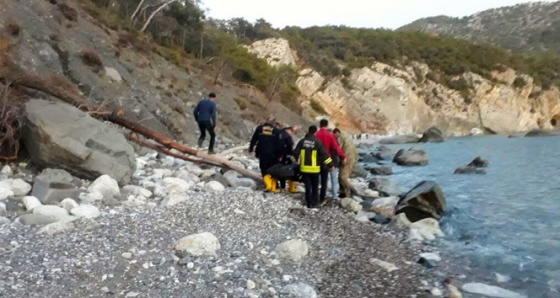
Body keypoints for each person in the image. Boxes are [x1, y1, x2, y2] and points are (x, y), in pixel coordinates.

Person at [293, 125, 333, 209]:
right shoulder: (318, 142)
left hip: (304, 168)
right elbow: (324, 155)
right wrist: (331, 165)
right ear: (315, 132)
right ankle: (315, 202)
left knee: (308, 186)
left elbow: (295, 152)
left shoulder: (302, 141)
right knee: (315, 186)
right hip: (314, 169)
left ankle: (309, 203)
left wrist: (296, 160)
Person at [315, 119, 345, 202]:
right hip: (328, 159)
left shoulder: (316, 135)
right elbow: (336, 148)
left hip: (317, 159)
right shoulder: (329, 136)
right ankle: (330, 196)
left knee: (319, 178)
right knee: (330, 179)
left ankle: (318, 194)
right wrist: (343, 156)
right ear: (327, 125)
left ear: (320, 125)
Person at [249, 114, 282, 191]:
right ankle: (275, 186)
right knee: (273, 170)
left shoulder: (259, 128)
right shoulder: (276, 131)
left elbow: (253, 140)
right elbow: (280, 144)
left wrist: (251, 149)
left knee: (264, 169)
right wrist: (280, 155)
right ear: (274, 122)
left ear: (266, 120)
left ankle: (268, 185)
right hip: (274, 154)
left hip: (262, 152)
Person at [333, 128, 358, 198]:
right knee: (340, 177)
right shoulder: (345, 135)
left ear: (336, 133)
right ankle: (343, 192)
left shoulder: (340, 138)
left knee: (343, 177)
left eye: (333, 135)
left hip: (347, 158)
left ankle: (352, 191)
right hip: (351, 157)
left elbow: (338, 149)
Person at [278, 124, 298, 192]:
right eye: (292, 131)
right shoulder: (287, 137)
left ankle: (282, 186)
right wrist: (293, 156)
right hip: (287, 156)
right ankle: (291, 188)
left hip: (279, 156)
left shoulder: (279, 133)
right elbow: (290, 147)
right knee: (290, 171)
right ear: (288, 129)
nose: (292, 133)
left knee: (281, 171)